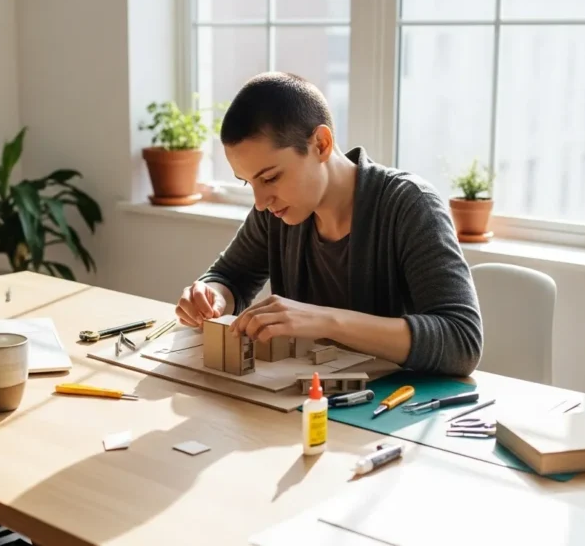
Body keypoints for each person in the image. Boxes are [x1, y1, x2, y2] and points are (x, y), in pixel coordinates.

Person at [175, 72, 483, 376]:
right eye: (248, 183)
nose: (260, 201)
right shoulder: (277, 209)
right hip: (305, 404)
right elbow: (230, 276)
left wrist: (324, 321)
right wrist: (212, 296)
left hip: (391, 410)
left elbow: (461, 340)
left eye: (270, 177)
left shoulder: (410, 204)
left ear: (321, 144)